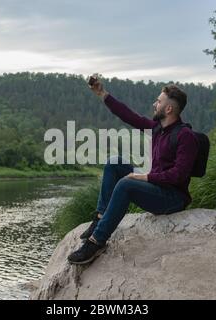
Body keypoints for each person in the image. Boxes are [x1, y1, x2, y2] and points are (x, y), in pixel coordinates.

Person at [67, 78, 199, 265]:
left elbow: (179, 175)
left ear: (169, 109)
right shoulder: (157, 128)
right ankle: (99, 219)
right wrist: (102, 94)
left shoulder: (185, 136)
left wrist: (144, 177)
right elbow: (129, 116)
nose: (155, 104)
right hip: (156, 185)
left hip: (173, 197)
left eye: (159, 101)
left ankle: (96, 242)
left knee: (126, 184)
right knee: (114, 163)